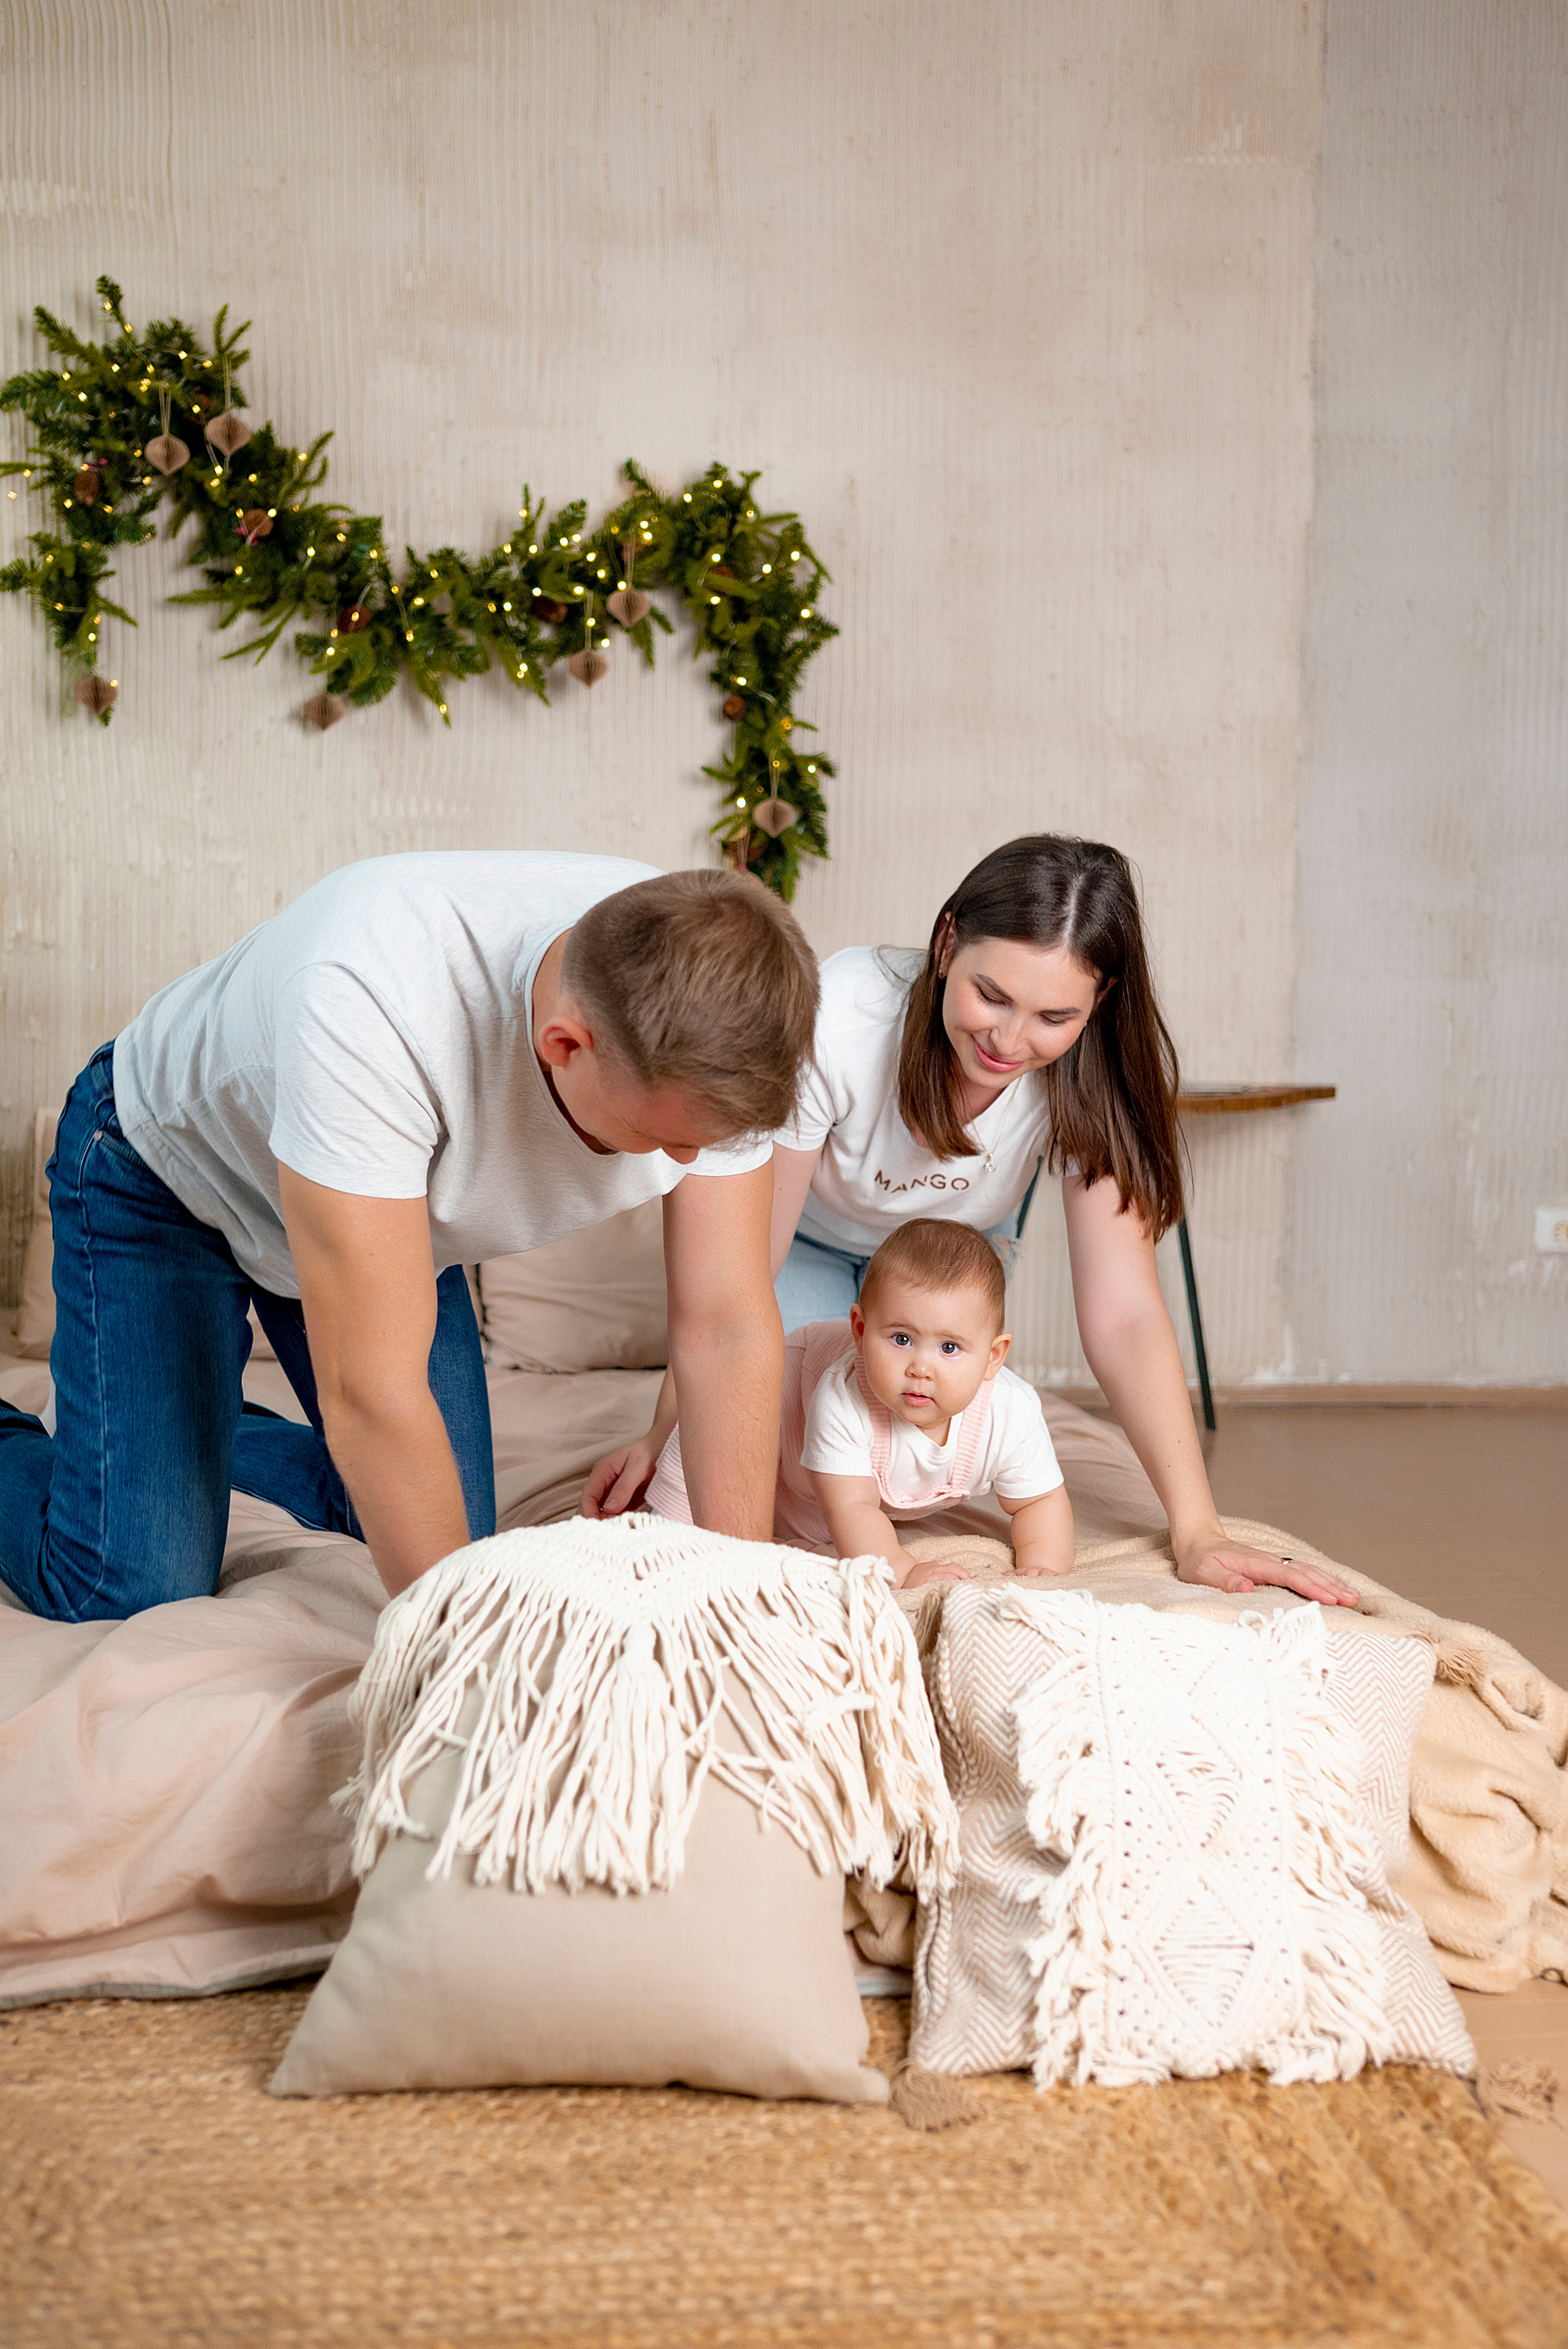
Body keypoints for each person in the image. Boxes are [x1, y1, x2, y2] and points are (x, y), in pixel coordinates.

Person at [0, 852, 818, 1622]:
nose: (689, 1164)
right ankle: (124, 1432)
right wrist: (471, 1663)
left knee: (429, 1514)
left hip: (389, 1219)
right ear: (566, 1045)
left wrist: (739, 1597)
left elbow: (725, 1326)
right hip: (166, 1176)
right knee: (120, 1585)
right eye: (666, 1137)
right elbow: (372, 1392)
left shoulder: (731, 1013)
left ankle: (160, 1421)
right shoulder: (373, 1003)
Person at [589, 833, 1357, 1611]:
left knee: (905, 1432)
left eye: (1054, 1016)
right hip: (811, 1243)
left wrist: (1197, 1530)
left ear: (1101, 1001)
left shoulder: (1093, 1080)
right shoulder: (844, 1016)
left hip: (955, 1258)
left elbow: (1124, 1315)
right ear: (947, 940)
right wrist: (665, 1436)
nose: (1009, 1042)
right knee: (791, 1447)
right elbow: (738, 1281)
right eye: (991, 997)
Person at [647, 1218, 1072, 1592]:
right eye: (901, 1339)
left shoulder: (1011, 1413)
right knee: (685, 1524)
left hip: (819, 1501)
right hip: (778, 1430)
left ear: (994, 1357)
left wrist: (1043, 1566)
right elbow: (852, 1509)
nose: (921, 1368)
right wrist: (902, 1571)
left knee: (818, 1526)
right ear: (861, 1331)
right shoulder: (842, 1393)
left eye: (949, 1347)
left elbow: (1039, 1502)